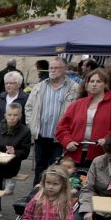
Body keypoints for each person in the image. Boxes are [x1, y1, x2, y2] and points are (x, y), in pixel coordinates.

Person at [25, 57, 81, 185]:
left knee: (56, 169)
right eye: (51, 68)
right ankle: (37, 194)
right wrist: (31, 124)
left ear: (65, 69)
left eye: (56, 68)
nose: (53, 70)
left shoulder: (75, 88)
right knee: (40, 167)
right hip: (41, 135)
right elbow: (28, 107)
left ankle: (54, 195)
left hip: (60, 138)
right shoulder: (40, 86)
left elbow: (78, 112)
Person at [55, 69, 111, 167]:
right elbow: (62, 127)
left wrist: (107, 139)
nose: (94, 84)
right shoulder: (77, 104)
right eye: (91, 81)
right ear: (87, 84)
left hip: (102, 155)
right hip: (74, 154)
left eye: (98, 81)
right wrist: (67, 142)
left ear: (105, 84)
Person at [0, 103, 32, 196]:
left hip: (11, 165)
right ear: (5, 115)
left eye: (15, 115)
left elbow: (25, 153)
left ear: (20, 116)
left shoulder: (25, 131)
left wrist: (15, 152)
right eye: (9, 115)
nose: (12, 118)